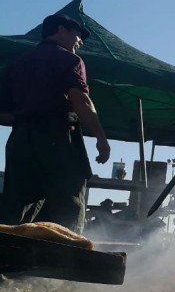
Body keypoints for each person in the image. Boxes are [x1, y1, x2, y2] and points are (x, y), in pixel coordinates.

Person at [0, 13, 111, 233]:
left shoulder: (17, 65)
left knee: (15, 211)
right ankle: (66, 262)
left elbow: (2, 114)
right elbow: (81, 101)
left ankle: (7, 260)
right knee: (68, 205)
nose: (80, 42)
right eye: (78, 35)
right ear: (61, 30)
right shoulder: (69, 60)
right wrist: (101, 138)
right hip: (58, 138)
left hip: (20, 140)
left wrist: (28, 118)